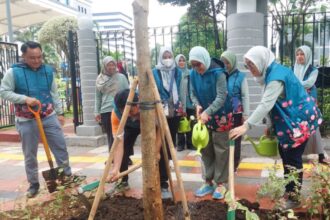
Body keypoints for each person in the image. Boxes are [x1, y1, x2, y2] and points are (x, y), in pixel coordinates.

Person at [229, 46, 322, 209]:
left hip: (299, 121)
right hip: (290, 120)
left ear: (261, 61)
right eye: (247, 65)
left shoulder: (276, 77)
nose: (250, 69)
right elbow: (274, 104)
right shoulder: (271, 73)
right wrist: (271, 126)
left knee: (292, 159)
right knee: (285, 153)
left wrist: (246, 126)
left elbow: (265, 104)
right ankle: (289, 190)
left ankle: (294, 197)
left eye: (251, 65)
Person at [0, 41, 73, 198]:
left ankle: (67, 177)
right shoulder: (13, 72)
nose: (37, 60)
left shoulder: (47, 71)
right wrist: (24, 98)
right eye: (32, 57)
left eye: (39, 57)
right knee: (30, 154)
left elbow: (54, 93)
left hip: (48, 116)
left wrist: (60, 113)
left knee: (60, 148)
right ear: (23, 56)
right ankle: (34, 184)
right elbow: (4, 92)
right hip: (26, 119)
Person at [107, 89, 171, 199]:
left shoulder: (151, 105)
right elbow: (118, 143)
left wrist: (156, 151)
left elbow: (161, 128)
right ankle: (122, 181)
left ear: (138, 102)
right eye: (127, 114)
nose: (131, 116)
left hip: (150, 122)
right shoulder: (116, 115)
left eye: (132, 112)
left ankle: (163, 185)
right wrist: (115, 167)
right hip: (129, 127)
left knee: (162, 150)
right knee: (124, 147)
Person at [189, 46, 230, 200]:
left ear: (205, 60)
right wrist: (197, 105)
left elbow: (221, 97)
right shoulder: (193, 74)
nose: (197, 68)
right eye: (193, 65)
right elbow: (192, 93)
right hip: (204, 115)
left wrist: (207, 111)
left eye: (198, 64)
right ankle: (208, 181)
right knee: (205, 147)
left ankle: (220, 184)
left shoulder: (218, 73)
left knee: (220, 149)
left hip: (221, 115)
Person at [152, 46, 182, 197]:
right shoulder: (154, 72)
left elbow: (180, 90)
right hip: (160, 112)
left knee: (171, 146)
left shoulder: (178, 71)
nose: (168, 59)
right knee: (161, 144)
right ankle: (163, 181)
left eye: (170, 56)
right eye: (165, 56)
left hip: (175, 112)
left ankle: (166, 172)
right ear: (160, 57)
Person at [294, 45, 329, 165]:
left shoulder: (313, 70)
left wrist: (294, 83)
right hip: (296, 100)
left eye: (302, 54)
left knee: (313, 126)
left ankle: (320, 155)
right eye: (298, 54)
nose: (299, 57)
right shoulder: (293, 69)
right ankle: (298, 153)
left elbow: (309, 83)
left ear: (307, 55)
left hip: (309, 100)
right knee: (298, 126)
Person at [220, 51, 250, 171]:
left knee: (235, 139)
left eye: (228, 62)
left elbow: (245, 96)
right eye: (224, 62)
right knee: (222, 139)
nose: (226, 65)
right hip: (223, 112)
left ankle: (234, 165)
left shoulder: (240, 76)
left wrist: (246, 114)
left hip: (236, 112)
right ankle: (225, 163)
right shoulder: (221, 74)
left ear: (233, 62)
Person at [95, 56, 129, 151]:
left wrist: (128, 109)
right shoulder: (99, 80)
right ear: (104, 66)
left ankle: (126, 157)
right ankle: (113, 156)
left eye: (113, 64)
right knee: (111, 135)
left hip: (121, 110)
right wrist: (96, 112)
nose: (111, 67)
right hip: (106, 110)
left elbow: (128, 94)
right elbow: (97, 97)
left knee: (124, 134)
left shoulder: (121, 77)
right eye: (108, 65)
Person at [175, 54, 195, 151]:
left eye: (183, 60)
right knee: (180, 123)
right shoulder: (175, 74)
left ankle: (191, 143)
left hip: (190, 103)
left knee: (190, 123)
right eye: (180, 60)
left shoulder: (190, 73)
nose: (182, 62)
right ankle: (180, 144)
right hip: (179, 102)